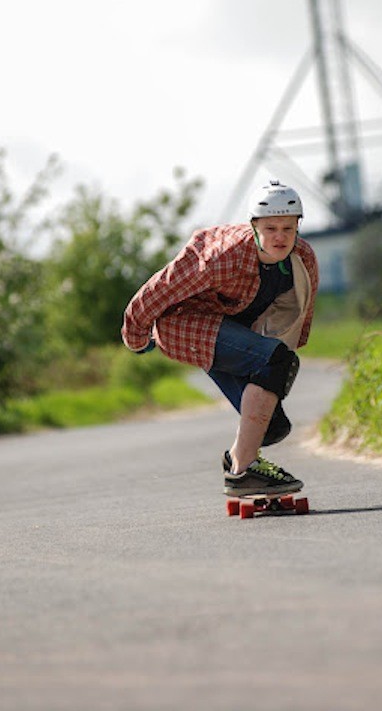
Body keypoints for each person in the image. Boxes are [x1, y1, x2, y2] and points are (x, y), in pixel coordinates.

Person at [121, 180, 319, 497]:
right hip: (183, 324)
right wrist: (136, 335)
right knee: (274, 360)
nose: (280, 237)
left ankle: (238, 461)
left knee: (274, 425)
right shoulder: (223, 255)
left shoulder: (302, 260)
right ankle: (244, 470)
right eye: (270, 228)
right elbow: (160, 289)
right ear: (254, 226)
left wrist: (276, 365)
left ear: (298, 226)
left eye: (287, 228)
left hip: (230, 329)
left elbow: (297, 315)